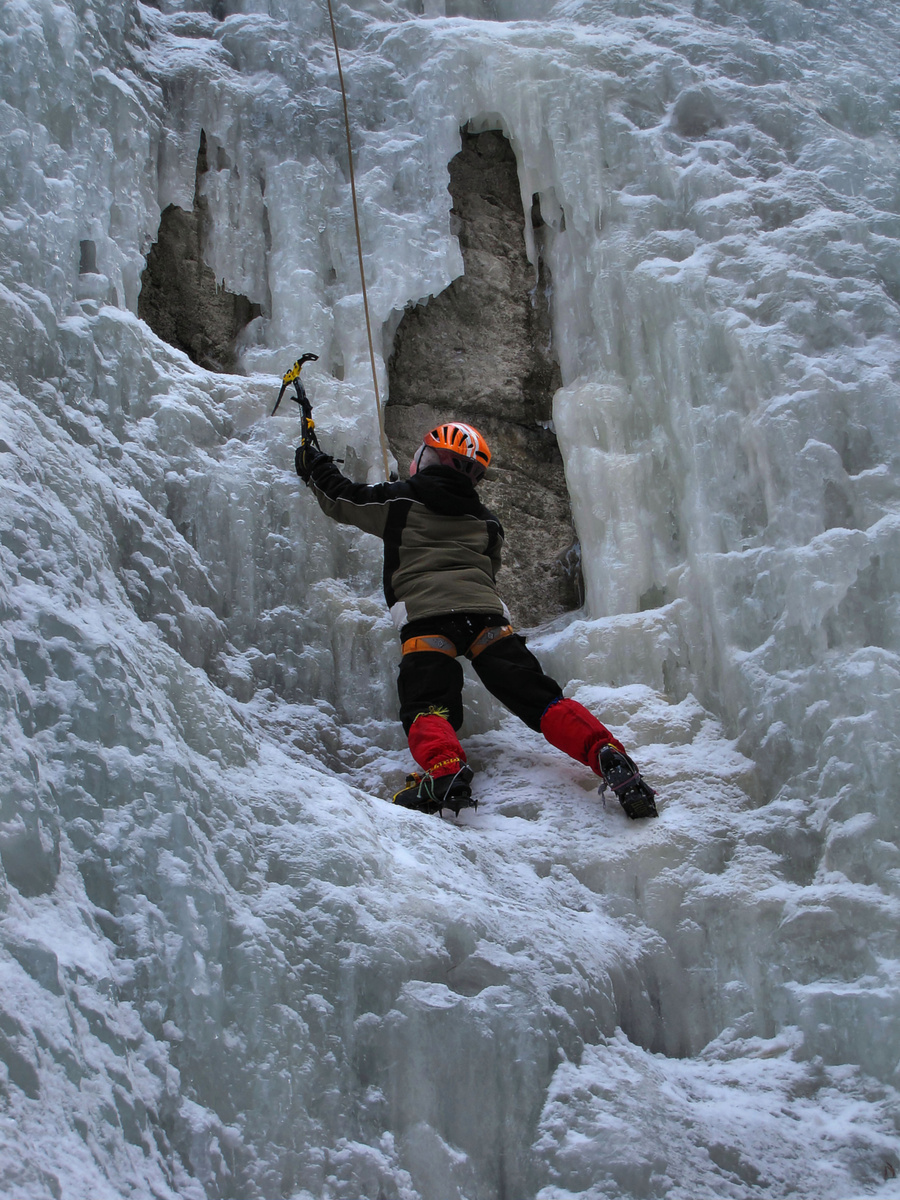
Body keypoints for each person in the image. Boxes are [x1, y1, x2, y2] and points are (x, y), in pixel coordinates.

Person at [296, 420, 657, 820]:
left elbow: (341, 497)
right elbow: (490, 569)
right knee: (541, 698)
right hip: (487, 620)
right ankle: (606, 752)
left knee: (427, 704)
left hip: (428, 620)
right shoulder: (488, 522)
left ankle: (445, 772)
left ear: (427, 456)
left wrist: (314, 460)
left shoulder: (399, 501)